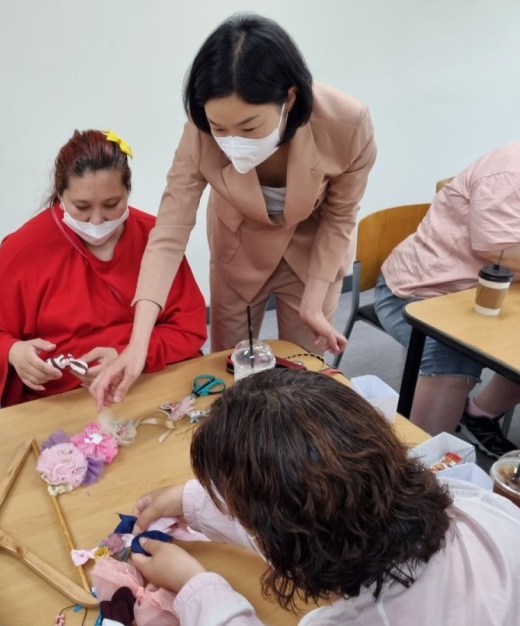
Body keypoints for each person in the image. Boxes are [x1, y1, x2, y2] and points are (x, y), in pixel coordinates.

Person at [92, 13, 376, 409]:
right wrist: (137, 343)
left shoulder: (346, 124)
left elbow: (340, 216)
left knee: (303, 375)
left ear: (289, 98)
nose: (231, 142)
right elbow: (169, 234)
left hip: (312, 253)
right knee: (230, 369)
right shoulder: (199, 132)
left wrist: (314, 299)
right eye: (220, 129)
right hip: (238, 246)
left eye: (248, 127)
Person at [130, 369, 520, 625]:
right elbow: (317, 515)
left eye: (235, 506)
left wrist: (196, 587)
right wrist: (196, 502)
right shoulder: (477, 505)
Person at [0, 129, 207, 406]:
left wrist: (131, 355)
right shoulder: (22, 251)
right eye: (81, 206)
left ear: (127, 191)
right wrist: (14, 352)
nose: (96, 220)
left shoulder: (156, 242)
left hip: (148, 384)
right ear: (60, 194)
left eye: (111, 204)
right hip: (62, 401)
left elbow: (189, 328)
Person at [376, 141, 520, 456]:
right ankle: (418, 462)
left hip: (490, 294)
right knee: (453, 355)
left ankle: (479, 414)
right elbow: (500, 251)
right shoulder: (509, 171)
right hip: (421, 292)